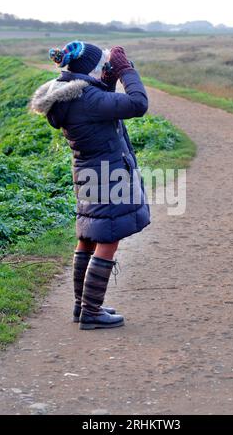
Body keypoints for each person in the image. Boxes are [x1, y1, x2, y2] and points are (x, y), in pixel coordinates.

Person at [30, 41, 150, 330]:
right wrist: (126, 71)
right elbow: (138, 104)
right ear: (92, 69)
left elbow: (98, 106)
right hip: (107, 174)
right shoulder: (90, 99)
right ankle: (92, 312)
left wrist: (107, 81)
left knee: (89, 235)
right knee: (108, 237)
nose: (107, 68)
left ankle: (81, 305)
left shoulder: (71, 93)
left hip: (87, 172)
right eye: (104, 65)